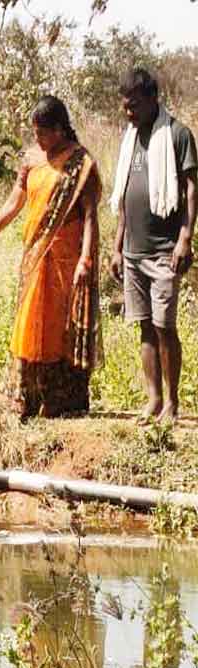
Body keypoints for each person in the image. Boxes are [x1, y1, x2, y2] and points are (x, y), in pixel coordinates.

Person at [0, 96, 103, 419]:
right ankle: (26, 397)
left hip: (67, 260)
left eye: (42, 133)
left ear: (59, 130)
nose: (37, 139)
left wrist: (86, 259)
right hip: (35, 256)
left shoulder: (81, 165)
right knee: (29, 323)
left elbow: (91, 216)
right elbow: (14, 203)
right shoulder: (31, 159)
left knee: (60, 328)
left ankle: (60, 401)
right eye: (35, 132)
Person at [108, 68, 197, 424]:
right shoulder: (130, 138)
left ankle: (173, 402)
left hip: (164, 251)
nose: (128, 112)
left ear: (152, 100)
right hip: (133, 250)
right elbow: (125, 197)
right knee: (144, 326)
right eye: (124, 106)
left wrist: (185, 238)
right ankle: (153, 399)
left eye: (134, 105)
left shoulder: (176, 134)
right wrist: (116, 247)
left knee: (165, 327)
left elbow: (192, 189)